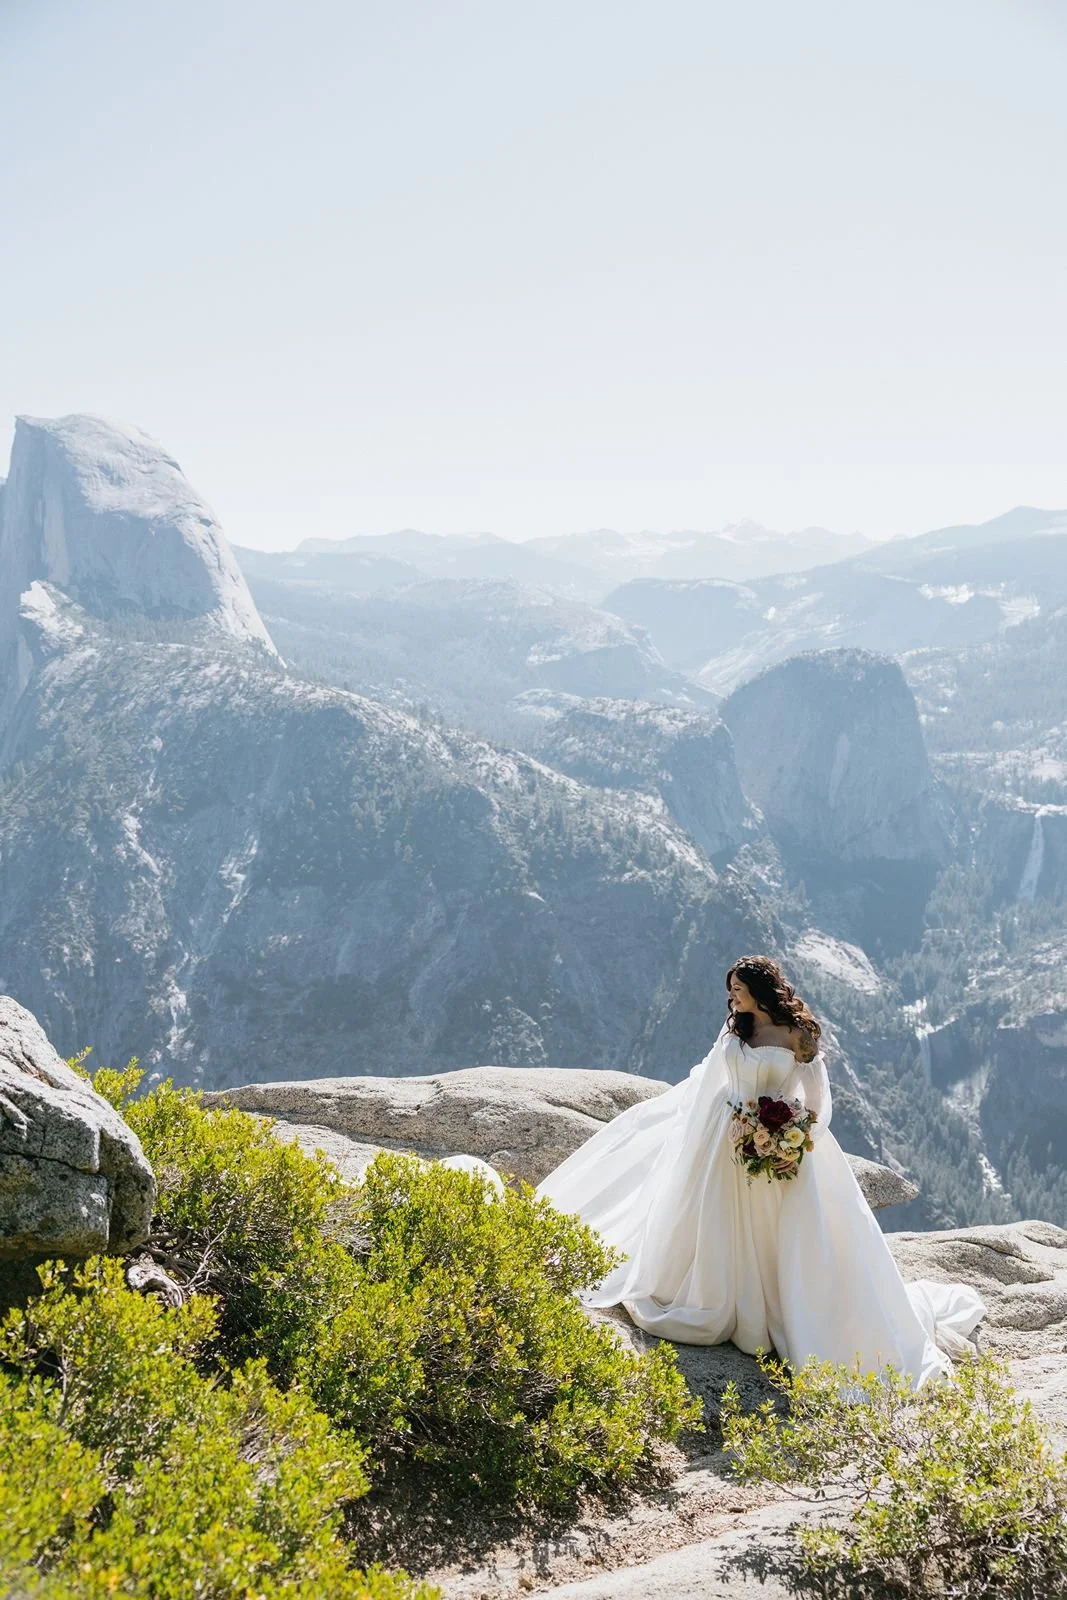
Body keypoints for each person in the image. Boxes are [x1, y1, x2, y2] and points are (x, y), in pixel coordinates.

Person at [535, 954, 985, 1387]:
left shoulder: (798, 1035)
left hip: (781, 1138)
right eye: (730, 990)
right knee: (716, 1217)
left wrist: (797, 1141)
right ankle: (721, 1299)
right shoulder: (735, 1028)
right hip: (721, 1135)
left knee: (779, 1231)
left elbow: (817, 1102)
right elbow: (708, 1081)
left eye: (738, 990)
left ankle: (780, 1310)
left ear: (761, 991)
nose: (732, 998)